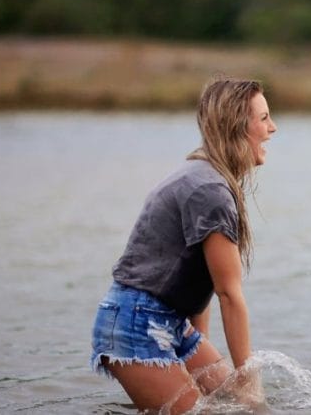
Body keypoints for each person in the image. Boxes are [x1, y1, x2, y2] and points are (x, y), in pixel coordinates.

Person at [90, 77, 276, 414]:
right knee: (243, 403)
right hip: (136, 324)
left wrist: (197, 353)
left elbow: (197, 277)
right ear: (237, 126)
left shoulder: (207, 176)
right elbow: (229, 294)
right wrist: (248, 377)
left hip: (170, 322)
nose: (272, 128)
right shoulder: (210, 191)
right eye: (263, 119)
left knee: (242, 409)